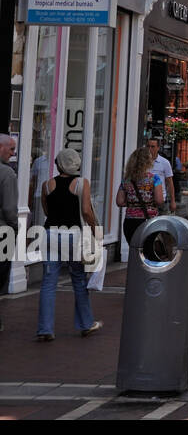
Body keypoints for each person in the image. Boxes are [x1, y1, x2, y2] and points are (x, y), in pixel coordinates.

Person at [36, 149, 102, 340]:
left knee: (48, 282)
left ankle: (45, 329)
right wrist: (95, 231)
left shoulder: (47, 185)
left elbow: (47, 210)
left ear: (59, 164)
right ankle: (86, 324)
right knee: (79, 280)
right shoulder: (82, 183)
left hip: (50, 234)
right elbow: (87, 211)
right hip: (73, 235)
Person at [116, 146, 165, 251]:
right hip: (148, 221)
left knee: (135, 252)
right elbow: (159, 200)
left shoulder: (126, 180)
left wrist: (133, 203)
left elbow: (119, 202)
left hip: (130, 221)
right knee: (149, 253)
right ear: (148, 161)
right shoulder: (154, 178)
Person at [0, 134, 16, 331]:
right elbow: (10, 208)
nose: (13, 154)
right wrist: (15, 227)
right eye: (11, 149)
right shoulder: (7, 174)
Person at [145, 137, 176, 214]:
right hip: (145, 201)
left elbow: (170, 183)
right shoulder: (142, 162)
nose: (150, 149)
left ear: (158, 148)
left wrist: (173, 201)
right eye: (148, 146)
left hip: (160, 201)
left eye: (152, 147)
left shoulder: (164, 162)